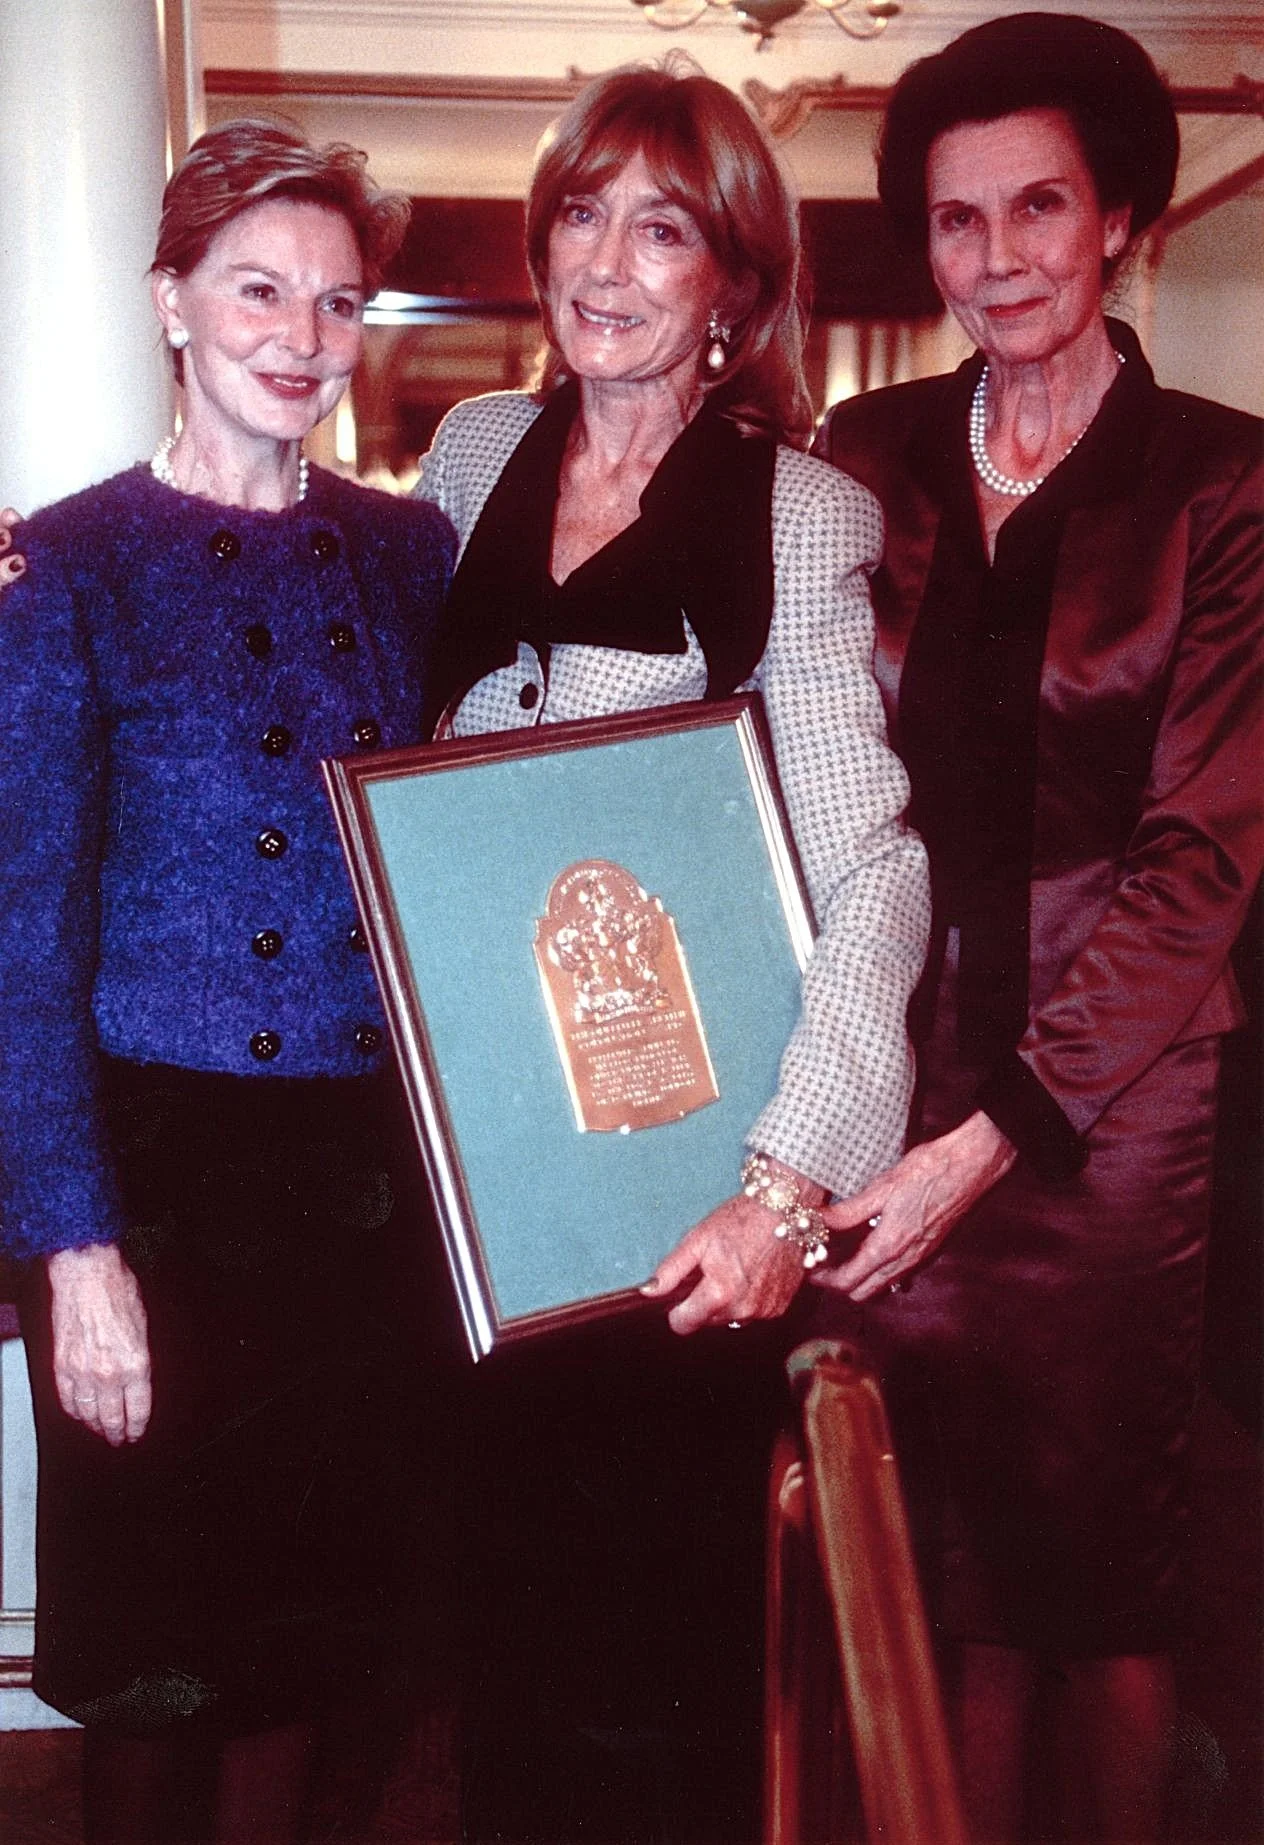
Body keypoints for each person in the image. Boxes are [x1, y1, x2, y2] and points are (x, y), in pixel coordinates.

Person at [414, 60, 929, 1839]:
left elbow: (875, 875)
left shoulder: (798, 511)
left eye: (665, 228)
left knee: (669, 1686)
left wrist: (790, 1189)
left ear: (739, 288)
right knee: (501, 1669)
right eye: (580, 212)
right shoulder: (473, 453)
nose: (608, 263)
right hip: (490, 1191)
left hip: (687, 1201)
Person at [811, 14, 1263, 1841]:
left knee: (1097, 1587)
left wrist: (988, 1144)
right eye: (954, 220)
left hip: (1108, 1122)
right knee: (934, 1576)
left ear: (1123, 218)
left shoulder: (1227, 486)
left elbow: (1204, 862)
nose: (996, 259)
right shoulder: (867, 451)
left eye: (1039, 209)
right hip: (887, 1079)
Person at [0, 120, 460, 1843]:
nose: (300, 336)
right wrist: (74, 1253)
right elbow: (18, 931)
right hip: (162, 1189)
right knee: (157, 1674)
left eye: (338, 305)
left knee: (319, 1662)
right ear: (171, 300)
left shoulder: (412, 559)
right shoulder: (68, 564)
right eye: (257, 288)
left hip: (363, 1194)